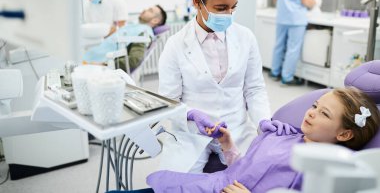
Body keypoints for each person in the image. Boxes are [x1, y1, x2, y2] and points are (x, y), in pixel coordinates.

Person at [158, 0, 287, 174]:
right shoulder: (175, 45)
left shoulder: (245, 37)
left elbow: (255, 89)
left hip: (237, 130)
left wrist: (262, 120)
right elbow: (169, 101)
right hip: (191, 134)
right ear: (197, 2)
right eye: (221, 8)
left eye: (233, 7)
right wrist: (190, 114)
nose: (228, 14)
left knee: (259, 178)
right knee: (176, 184)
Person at [146, 87, 380, 193]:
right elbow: (243, 169)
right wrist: (227, 144)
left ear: (345, 134)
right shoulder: (283, 134)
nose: (310, 113)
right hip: (213, 184)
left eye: (324, 114)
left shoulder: (325, 172)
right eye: (315, 106)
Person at [270, 0, 320, 86]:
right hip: (296, 18)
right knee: (293, 48)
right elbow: (305, 0)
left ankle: (274, 72)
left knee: (279, 44)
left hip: (282, 16)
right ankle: (287, 77)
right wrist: (315, 2)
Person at [83, 5, 167, 71]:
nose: (145, 9)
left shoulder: (143, 33)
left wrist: (104, 65)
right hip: (90, 56)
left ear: (155, 20)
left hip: (95, 64)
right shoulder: (135, 26)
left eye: (150, 10)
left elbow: (134, 60)